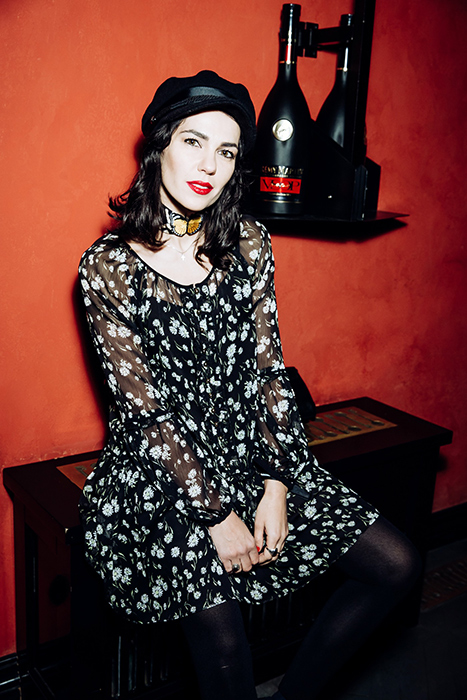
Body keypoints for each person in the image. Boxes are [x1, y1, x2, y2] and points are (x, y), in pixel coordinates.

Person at [78, 70, 421, 700]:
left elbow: (268, 371)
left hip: (249, 450)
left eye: (227, 151)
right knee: (227, 659)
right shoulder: (108, 267)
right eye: (193, 141)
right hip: (165, 474)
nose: (209, 165)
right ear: (160, 145)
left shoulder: (249, 242)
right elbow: (145, 413)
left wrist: (277, 482)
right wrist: (216, 516)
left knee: (396, 564)